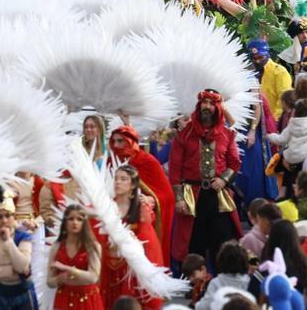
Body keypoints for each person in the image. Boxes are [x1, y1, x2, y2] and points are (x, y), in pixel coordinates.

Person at [169, 89, 242, 268]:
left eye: (211, 103)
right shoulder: (184, 134)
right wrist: (179, 198)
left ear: (217, 107)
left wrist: (224, 180)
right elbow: (175, 168)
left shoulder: (227, 134)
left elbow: (234, 163)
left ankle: (225, 278)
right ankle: (195, 282)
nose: (207, 107)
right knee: (194, 241)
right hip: (192, 196)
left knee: (223, 238)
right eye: (204, 103)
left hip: (218, 195)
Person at [107, 125, 174, 266]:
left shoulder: (146, 161)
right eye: (114, 141)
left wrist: (152, 199)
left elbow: (167, 195)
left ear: (130, 141)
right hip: (115, 216)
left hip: (140, 218)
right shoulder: (110, 162)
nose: (116, 145)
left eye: (121, 141)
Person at [99, 165, 163, 309]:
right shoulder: (107, 206)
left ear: (133, 184)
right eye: (116, 179)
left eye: (123, 179)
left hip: (131, 268)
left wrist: (131, 241)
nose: (117, 182)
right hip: (109, 264)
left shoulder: (141, 209)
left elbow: (148, 242)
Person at [0, 191, 37, 309]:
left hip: (23, 294)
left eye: (8, 216)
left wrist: (8, 241)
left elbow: (22, 266)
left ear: (13, 216)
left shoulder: (24, 237)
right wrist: (10, 270)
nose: (4, 221)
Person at [47, 204, 102, 310]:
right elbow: (49, 282)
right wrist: (58, 279)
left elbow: (93, 277)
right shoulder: (56, 247)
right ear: (65, 222)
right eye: (71, 219)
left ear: (84, 223)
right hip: (64, 299)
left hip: (88, 301)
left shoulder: (92, 246)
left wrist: (67, 269)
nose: (75, 222)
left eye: (79, 219)